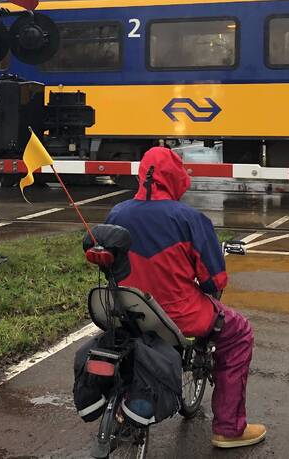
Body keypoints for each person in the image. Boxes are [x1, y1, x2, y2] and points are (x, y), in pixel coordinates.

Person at [105, 146, 267, 449]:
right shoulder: (188, 219)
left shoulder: (117, 213)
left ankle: (122, 410)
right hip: (178, 314)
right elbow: (214, 280)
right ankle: (229, 429)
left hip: (127, 309)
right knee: (239, 332)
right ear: (175, 178)